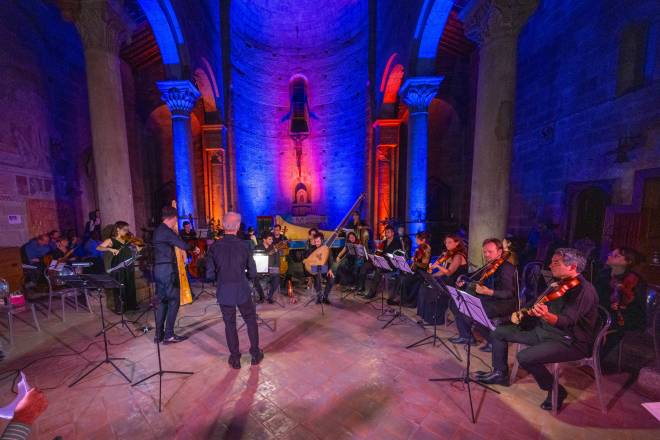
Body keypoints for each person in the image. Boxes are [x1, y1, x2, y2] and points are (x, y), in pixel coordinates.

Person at [478, 248, 599, 412]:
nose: (550, 265)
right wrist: (524, 312)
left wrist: (547, 315)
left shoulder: (585, 291)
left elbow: (568, 320)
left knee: (524, 357)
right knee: (498, 332)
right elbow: (537, 301)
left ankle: (556, 391)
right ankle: (500, 373)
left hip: (569, 340)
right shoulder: (558, 283)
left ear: (573, 266)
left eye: (556, 262)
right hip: (543, 331)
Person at [206, 212, 263, 369]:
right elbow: (252, 273)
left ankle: (235, 358)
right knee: (251, 320)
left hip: (224, 291)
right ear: (237, 226)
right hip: (242, 290)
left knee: (229, 324)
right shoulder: (245, 246)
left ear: (223, 226)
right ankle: (255, 354)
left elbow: (209, 275)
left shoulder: (214, 247)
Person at [450, 238, 517, 352]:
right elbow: (474, 275)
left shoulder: (507, 268)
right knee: (455, 302)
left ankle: (492, 341)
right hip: (487, 297)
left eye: (490, 252)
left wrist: (489, 292)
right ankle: (467, 336)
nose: (486, 255)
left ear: (499, 252)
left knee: (474, 311)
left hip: (503, 302)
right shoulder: (490, 264)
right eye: (485, 252)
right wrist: (463, 278)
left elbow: (509, 293)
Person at [152, 207, 199, 344]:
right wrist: (193, 249)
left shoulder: (158, 230)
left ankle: (158, 335)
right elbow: (181, 244)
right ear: (172, 218)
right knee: (174, 300)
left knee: (162, 302)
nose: (175, 223)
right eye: (175, 220)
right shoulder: (167, 231)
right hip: (168, 271)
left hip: (159, 270)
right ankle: (169, 335)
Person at [597, 247, 646, 357]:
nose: (609, 256)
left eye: (616, 256)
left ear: (628, 262)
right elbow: (598, 297)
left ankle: (596, 360)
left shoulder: (634, 280)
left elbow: (634, 307)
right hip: (605, 311)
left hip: (626, 316)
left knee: (605, 323)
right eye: (611, 254)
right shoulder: (604, 274)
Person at [417, 234, 469, 325]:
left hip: (455, 284)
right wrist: (432, 276)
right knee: (424, 286)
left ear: (457, 243)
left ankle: (435, 319)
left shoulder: (458, 256)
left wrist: (437, 266)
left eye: (449, 242)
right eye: (446, 242)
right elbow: (443, 272)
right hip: (447, 280)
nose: (447, 245)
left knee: (432, 290)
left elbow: (449, 272)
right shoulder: (450, 254)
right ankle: (425, 316)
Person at [96, 221, 139, 312]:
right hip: (118, 265)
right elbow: (98, 248)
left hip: (128, 264)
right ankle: (121, 308)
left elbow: (140, 245)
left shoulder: (127, 238)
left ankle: (132, 306)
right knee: (120, 285)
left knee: (130, 284)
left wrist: (137, 245)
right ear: (118, 230)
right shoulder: (111, 240)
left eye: (127, 229)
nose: (127, 231)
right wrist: (110, 249)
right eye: (125, 230)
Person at [358, 225, 402, 299]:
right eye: (386, 232)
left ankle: (372, 293)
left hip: (391, 265)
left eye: (388, 232)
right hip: (381, 262)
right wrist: (375, 257)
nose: (386, 234)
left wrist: (383, 258)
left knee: (378, 270)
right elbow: (378, 252)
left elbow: (397, 256)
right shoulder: (384, 242)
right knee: (365, 266)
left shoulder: (397, 243)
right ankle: (361, 288)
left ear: (392, 233)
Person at [389, 231, 431, 307]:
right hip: (417, 270)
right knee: (400, 275)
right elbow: (416, 262)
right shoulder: (420, 248)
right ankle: (399, 297)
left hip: (421, 272)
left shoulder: (426, 248)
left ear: (423, 240)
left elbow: (424, 265)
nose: (416, 240)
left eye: (417, 239)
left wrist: (414, 261)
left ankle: (406, 301)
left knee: (405, 279)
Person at [306, 233, 335, 304]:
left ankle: (325, 297)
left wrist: (330, 269)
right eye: (315, 241)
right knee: (317, 278)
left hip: (325, 270)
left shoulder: (327, 249)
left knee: (331, 279)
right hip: (315, 270)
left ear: (322, 241)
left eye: (318, 241)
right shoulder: (312, 249)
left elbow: (330, 260)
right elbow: (307, 260)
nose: (316, 243)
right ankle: (319, 297)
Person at [254, 233, 280, 304]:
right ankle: (261, 297)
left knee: (277, 279)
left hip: (271, 270)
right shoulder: (257, 248)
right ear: (264, 239)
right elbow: (254, 260)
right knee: (255, 279)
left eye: (272, 239)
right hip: (260, 270)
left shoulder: (274, 249)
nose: (271, 241)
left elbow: (277, 262)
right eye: (270, 239)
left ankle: (270, 296)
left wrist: (273, 269)